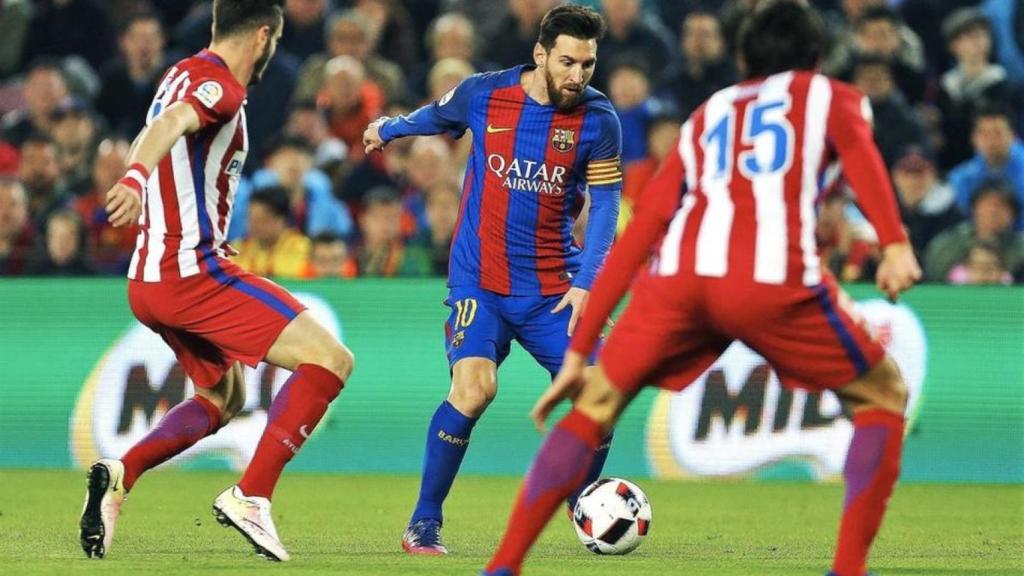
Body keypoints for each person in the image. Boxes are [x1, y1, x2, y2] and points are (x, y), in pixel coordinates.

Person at [480, 2, 922, 576]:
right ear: (816, 59)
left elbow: (645, 226)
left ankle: (503, 566)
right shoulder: (830, 97)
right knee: (882, 394)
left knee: (594, 404)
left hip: (678, 282)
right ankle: (849, 569)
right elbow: (862, 160)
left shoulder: (711, 112)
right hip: (773, 279)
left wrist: (581, 350)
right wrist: (894, 242)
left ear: (741, 58)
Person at [77, 0, 354, 563]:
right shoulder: (220, 85)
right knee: (331, 360)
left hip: (149, 279)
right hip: (191, 271)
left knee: (223, 396)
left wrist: (140, 177)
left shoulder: (179, 73)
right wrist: (134, 179)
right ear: (263, 36)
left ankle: (121, 474)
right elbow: (170, 124)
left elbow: (162, 125)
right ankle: (252, 496)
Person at [362, 4, 622, 556]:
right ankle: (423, 522)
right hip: (480, 282)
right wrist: (388, 129)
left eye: (588, 65)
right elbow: (435, 116)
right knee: (474, 389)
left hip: (555, 289)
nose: (578, 76)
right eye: (568, 62)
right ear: (540, 55)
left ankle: (583, 501)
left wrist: (588, 282)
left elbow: (605, 206)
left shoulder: (599, 120)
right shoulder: (485, 94)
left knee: (603, 396)